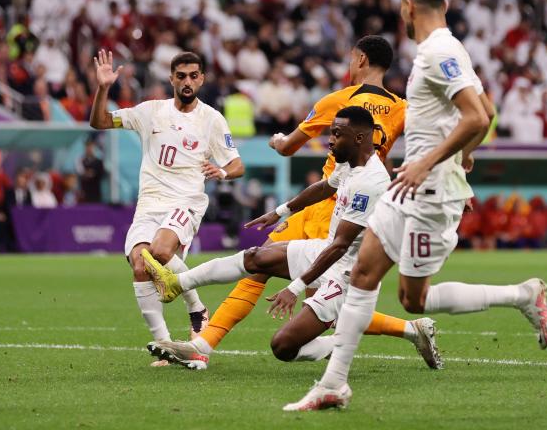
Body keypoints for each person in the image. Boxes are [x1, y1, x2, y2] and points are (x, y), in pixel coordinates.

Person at [285, 0, 547, 411]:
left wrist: (435, 160)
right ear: (443, 5)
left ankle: (523, 294)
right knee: (363, 273)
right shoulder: (448, 48)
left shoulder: (438, 51)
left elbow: (478, 117)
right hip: (410, 185)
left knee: (415, 298)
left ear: (408, 6)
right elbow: (484, 110)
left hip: (430, 190)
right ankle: (333, 384)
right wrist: (465, 152)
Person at [143, 108, 439, 370]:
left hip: (345, 275)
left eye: (337, 134)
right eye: (330, 133)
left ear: (360, 139)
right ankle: (175, 284)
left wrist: (294, 288)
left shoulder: (370, 183)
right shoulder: (349, 164)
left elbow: (340, 245)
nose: (330, 140)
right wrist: (281, 212)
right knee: (256, 258)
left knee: (283, 347)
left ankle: (345, 339)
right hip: (327, 251)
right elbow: (324, 187)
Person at [189, 35, 415, 365]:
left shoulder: (336, 101)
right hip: (353, 204)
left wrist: (277, 140)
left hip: (330, 204)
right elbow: (388, 160)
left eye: (352, 59)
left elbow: (289, 147)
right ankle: (202, 347)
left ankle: (406, 331)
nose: (350, 66)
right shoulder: (401, 108)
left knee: (310, 299)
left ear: (362, 60)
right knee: (263, 264)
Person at [89, 49, 245, 352]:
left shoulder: (211, 119)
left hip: (185, 202)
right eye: (181, 76)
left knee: (159, 252)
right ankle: (164, 344)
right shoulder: (151, 111)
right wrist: (104, 88)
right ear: (172, 78)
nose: (187, 81)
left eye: (193, 76)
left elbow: (238, 165)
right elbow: (101, 122)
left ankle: (196, 308)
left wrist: (223, 172)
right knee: (139, 264)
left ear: (202, 79)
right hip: (149, 203)